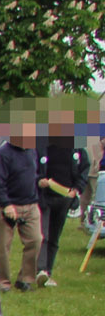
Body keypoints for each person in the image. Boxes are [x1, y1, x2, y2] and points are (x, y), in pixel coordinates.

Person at [0, 112, 43, 291]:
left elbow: (34, 175)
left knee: (35, 240)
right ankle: (2, 282)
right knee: (2, 246)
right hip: (8, 205)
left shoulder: (31, 151)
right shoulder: (2, 155)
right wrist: (6, 205)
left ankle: (25, 278)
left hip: (30, 204)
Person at [35, 107, 89, 286]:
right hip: (45, 197)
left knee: (55, 237)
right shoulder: (42, 145)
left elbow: (84, 168)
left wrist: (77, 189)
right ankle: (39, 269)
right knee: (44, 234)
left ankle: (47, 272)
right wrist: (39, 180)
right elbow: (33, 167)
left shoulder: (76, 146)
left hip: (65, 198)